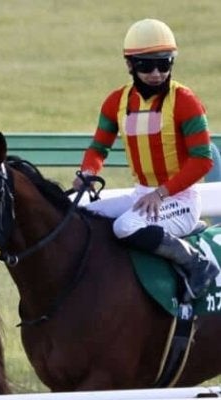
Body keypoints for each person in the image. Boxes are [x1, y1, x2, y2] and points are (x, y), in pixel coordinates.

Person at [74, 19, 217, 299]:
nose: (156, 74)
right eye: (146, 66)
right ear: (129, 65)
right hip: (142, 196)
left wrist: (161, 193)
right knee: (83, 215)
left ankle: (197, 264)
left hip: (181, 200)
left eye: (164, 65)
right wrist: (87, 172)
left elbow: (203, 159)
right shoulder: (116, 102)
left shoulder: (186, 101)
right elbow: (98, 148)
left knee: (124, 226)